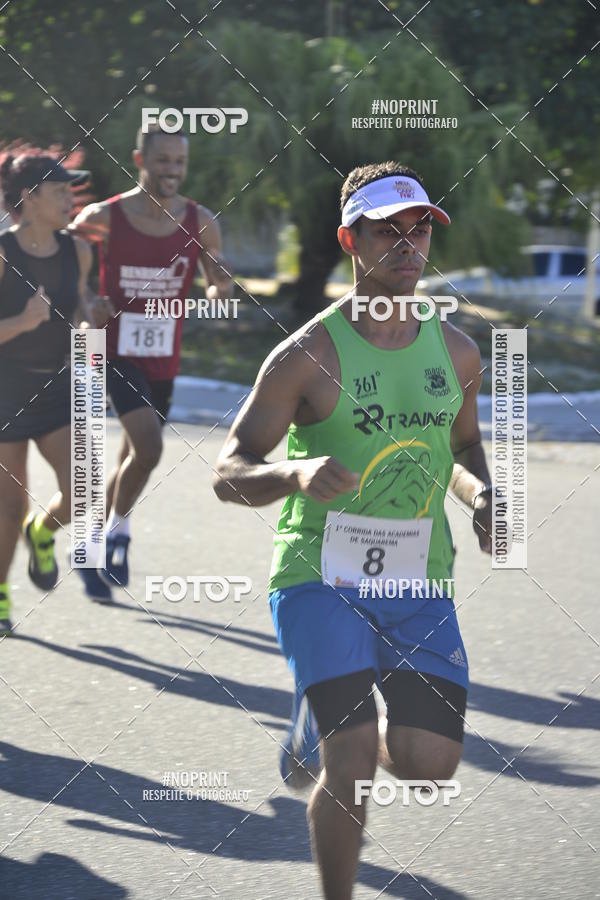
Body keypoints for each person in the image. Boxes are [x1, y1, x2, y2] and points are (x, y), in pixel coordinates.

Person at [213, 161, 493, 900]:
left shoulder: (458, 351)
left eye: (420, 229)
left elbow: (459, 450)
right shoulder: (306, 355)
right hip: (318, 577)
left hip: (418, 578)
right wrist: (295, 476)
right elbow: (228, 469)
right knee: (355, 758)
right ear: (350, 240)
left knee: (430, 764)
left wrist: (485, 496)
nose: (408, 245)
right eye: (387, 231)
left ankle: (310, 716)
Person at [71, 124, 232, 602]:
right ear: (139, 160)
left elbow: (215, 282)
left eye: (179, 162)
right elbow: (64, 263)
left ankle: (98, 538)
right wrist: (86, 298)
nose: (172, 171)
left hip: (163, 354)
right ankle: (111, 535)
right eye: (163, 161)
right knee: (147, 447)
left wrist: (219, 288)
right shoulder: (104, 217)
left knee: (133, 456)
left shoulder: (200, 221)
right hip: (110, 346)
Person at [0, 151, 92, 636]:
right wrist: (23, 321)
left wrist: (88, 320)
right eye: (59, 190)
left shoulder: (76, 250)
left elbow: (78, 311)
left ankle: (43, 532)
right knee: (9, 505)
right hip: (4, 386)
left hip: (54, 383)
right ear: (29, 199)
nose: (69, 198)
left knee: (84, 488)